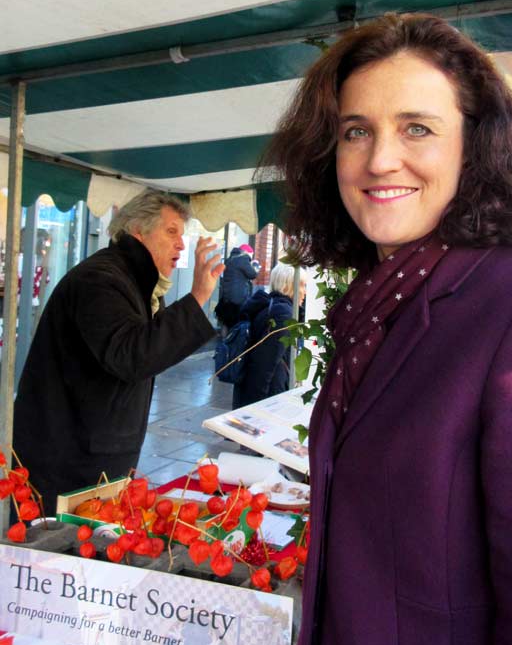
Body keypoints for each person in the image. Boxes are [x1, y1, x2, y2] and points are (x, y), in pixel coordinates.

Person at [262, 13, 512, 645]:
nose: (380, 158)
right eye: (355, 131)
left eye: (417, 128)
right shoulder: (380, 303)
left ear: (473, 147)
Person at [13, 190, 223, 514]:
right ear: (138, 230)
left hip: (96, 458)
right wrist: (195, 299)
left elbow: (147, 351)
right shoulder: (100, 280)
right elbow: (132, 355)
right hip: (68, 463)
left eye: (182, 234)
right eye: (171, 232)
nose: (181, 244)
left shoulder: (138, 283)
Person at [232, 262, 307, 409]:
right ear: (290, 285)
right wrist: (256, 407)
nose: (305, 292)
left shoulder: (270, 306)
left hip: (255, 389)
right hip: (269, 395)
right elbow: (265, 362)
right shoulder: (283, 313)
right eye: (302, 285)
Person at [215, 243, 259, 329]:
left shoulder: (230, 259)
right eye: (251, 255)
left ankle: (225, 341)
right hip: (237, 298)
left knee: (226, 322)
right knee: (236, 323)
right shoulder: (243, 259)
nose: (250, 258)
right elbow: (253, 274)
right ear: (247, 252)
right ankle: (234, 341)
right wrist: (254, 265)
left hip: (226, 297)